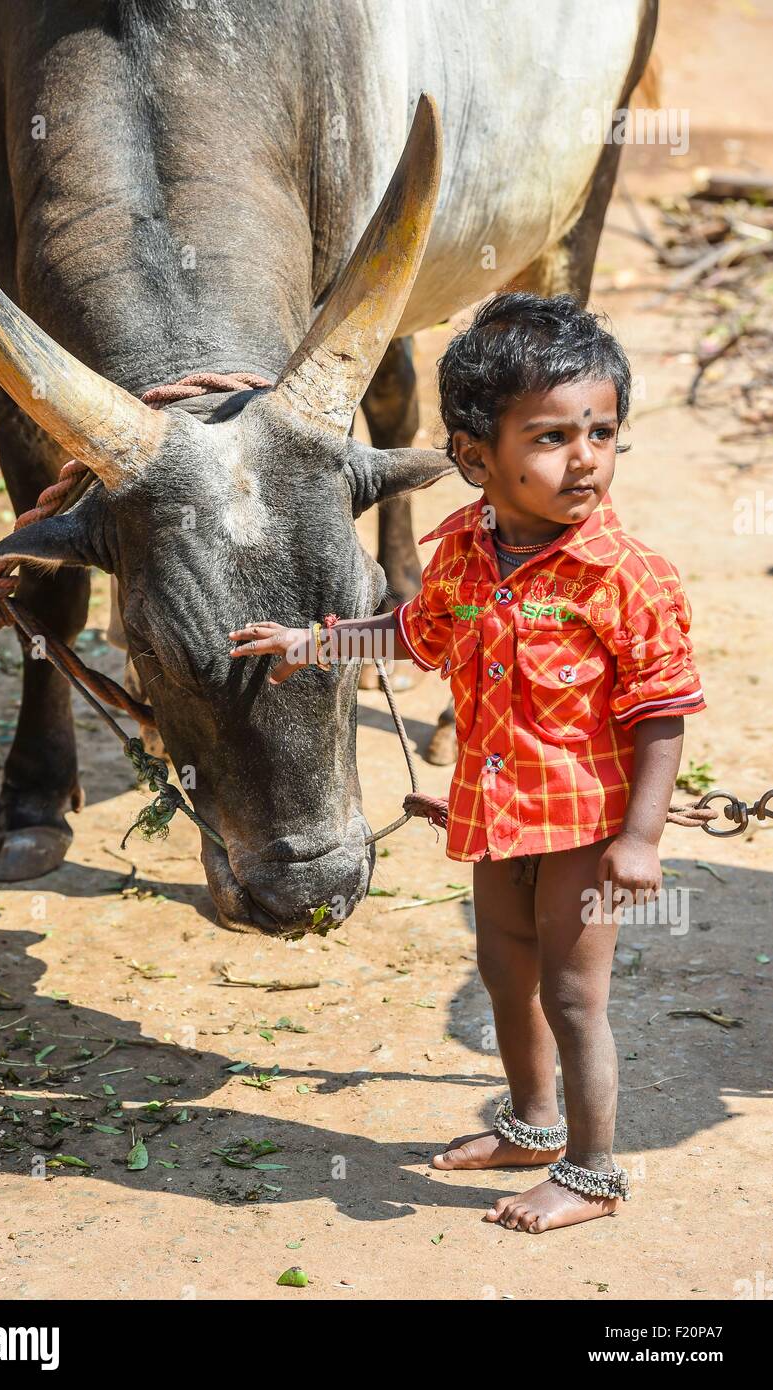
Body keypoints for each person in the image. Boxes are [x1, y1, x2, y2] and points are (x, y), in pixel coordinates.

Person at [229, 292, 706, 1233]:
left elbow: (663, 712)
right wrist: (313, 643)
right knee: (503, 969)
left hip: (587, 826)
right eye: (551, 438)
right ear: (474, 457)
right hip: (497, 816)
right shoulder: (460, 554)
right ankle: (530, 1125)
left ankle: (591, 1171)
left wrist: (641, 838)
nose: (584, 460)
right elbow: (413, 635)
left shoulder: (626, 577)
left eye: (601, 433)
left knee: (575, 996)